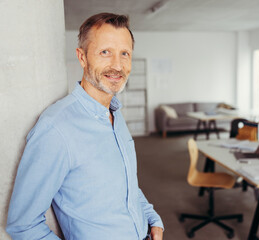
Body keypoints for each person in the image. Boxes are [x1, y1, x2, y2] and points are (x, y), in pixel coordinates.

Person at [6, 13, 164, 240]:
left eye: (125, 54)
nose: (117, 66)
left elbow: (127, 183)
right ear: (82, 57)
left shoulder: (115, 114)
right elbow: (22, 226)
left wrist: (152, 220)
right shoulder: (56, 128)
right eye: (105, 52)